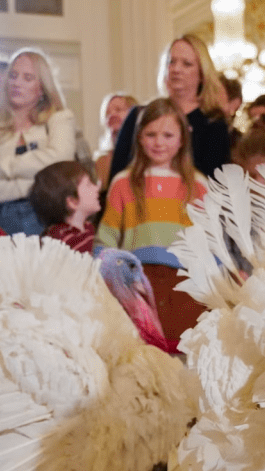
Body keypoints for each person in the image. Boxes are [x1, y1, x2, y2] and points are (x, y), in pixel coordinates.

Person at [96, 98, 208, 343]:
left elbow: (210, 244)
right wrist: (116, 278)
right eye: (151, 134)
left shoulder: (198, 185)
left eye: (168, 135)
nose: (159, 143)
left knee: (184, 352)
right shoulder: (123, 183)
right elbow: (105, 241)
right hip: (136, 284)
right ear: (138, 137)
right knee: (142, 352)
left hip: (185, 285)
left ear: (181, 140)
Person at [0, 48, 75, 236]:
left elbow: (60, 161)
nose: (17, 83)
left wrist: (1, 169)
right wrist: (34, 187)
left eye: (28, 78)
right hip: (1, 228)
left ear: (41, 88)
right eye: (13, 76)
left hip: (51, 222)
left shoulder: (59, 120)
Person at [109, 34, 230, 182]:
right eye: (171, 62)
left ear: (202, 74)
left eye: (186, 64)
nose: (176, 69)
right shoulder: (138, 115)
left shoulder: (213, 121)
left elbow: (215, 182)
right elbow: (117, 173)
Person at [29, 160, 100, 253]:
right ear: (72, 202)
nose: (96, 188)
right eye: (88, 185)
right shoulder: (59, 241)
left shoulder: (88, 228)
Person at [94, 92, 138, 190]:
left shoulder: (144, 152)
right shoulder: (101, 159)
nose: (112, 115)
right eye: (107, 113)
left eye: (118, 110)